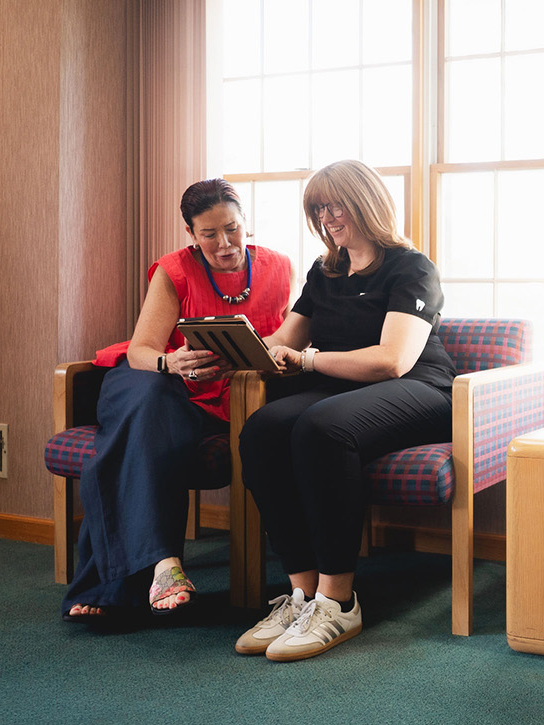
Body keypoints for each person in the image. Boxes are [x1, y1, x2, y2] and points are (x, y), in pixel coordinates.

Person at [235, 160, 455, 662]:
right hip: (339, 389)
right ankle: (302, 595)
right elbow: (282, 343)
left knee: (321, 427)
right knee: (262, 429)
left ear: (367, 202)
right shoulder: (325, 270)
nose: (329, 217)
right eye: (319, 208)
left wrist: (308, 359)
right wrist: (230, 350)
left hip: (420, 390)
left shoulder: (411, 267)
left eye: (337, 205)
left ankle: (338, 601)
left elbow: (391, 360)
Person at [63, 179, 292, 621]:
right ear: (191, 234)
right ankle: (166, 562)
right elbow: (141, 351)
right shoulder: (175, 269)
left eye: (232, 229)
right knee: (148, 408)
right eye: (209, 234)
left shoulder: (279, 267)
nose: (224, 244)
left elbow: (285, 335)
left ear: (246, 223)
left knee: (123, 446)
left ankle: (108, 587)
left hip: (228, 393)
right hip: (152, 381)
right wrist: (174, 363)